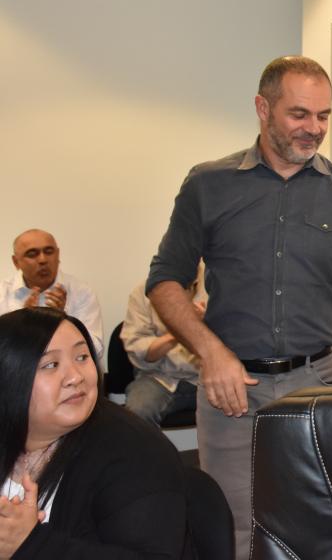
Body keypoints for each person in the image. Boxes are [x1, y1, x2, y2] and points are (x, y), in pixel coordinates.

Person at [147, 55, 332, 557]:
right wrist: (210, 353)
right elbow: (165, 281)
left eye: (323, 116)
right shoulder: (208, 185)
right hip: (232, 390)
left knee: (317, 527)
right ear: (262, 107)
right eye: (299, 114)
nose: (313, 129)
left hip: (315, 388)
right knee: (234, 531)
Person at [0, 307, 190, 559]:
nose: (75, 377)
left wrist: (31, 544)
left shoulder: (135, 452)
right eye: (51, 364)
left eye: (82, 357)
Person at [121, 266, 205, 427]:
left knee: (247, 403)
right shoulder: (144, 293)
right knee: (137, 416)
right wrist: (182, 328)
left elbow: (233, 344)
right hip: (158, 377)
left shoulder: (215, 289)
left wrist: (207, 326)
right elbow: (139, 350)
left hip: (206, 377)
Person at [0, 230, 103, 360]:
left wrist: (62, 321)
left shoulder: (82, 292)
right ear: (16, 262)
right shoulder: (2, 294)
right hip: (19, 374)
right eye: (32, 254)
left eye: (49, 252)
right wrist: (23, 323)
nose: (43, 260)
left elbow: (96, 350)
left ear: (58, 254)